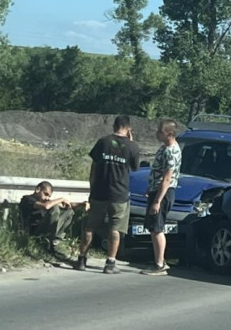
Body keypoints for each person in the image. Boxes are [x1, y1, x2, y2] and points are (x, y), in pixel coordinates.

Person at [74, 115, 140, 274]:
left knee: (90, 226)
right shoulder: (132, 147)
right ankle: (110, 263)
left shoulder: (102, 142)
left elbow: (93, 169)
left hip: (99, 192)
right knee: (115, 229)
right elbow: (135, 168)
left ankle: (81, 259)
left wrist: (92, 190)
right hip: (119, 194)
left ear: (114, 126)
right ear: (128, 128)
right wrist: (131, 142)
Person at [140, 119, 182, 276]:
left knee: (157, 228)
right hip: (156, 189)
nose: (157, 134)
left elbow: (167, 179)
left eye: (160, 132)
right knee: (153, 227)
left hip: (163, 193)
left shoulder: (171, 152)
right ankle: (159, 261)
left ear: (169, 134)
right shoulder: (165, 148)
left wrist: (157, 201)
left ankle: (159, 264)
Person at [19, 181, 89, 256]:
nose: (47, 198)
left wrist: (83, 204)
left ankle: (54, 242)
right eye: (45, 194)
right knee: (55, 208)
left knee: (69, 212)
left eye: (49, 196)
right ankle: (48, 243)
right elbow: (46, 206)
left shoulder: (45, 201)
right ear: (38, 190)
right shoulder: (27, 199)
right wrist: (61, 198)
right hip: (34, 231)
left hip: (46, 229)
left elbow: (68, 205)